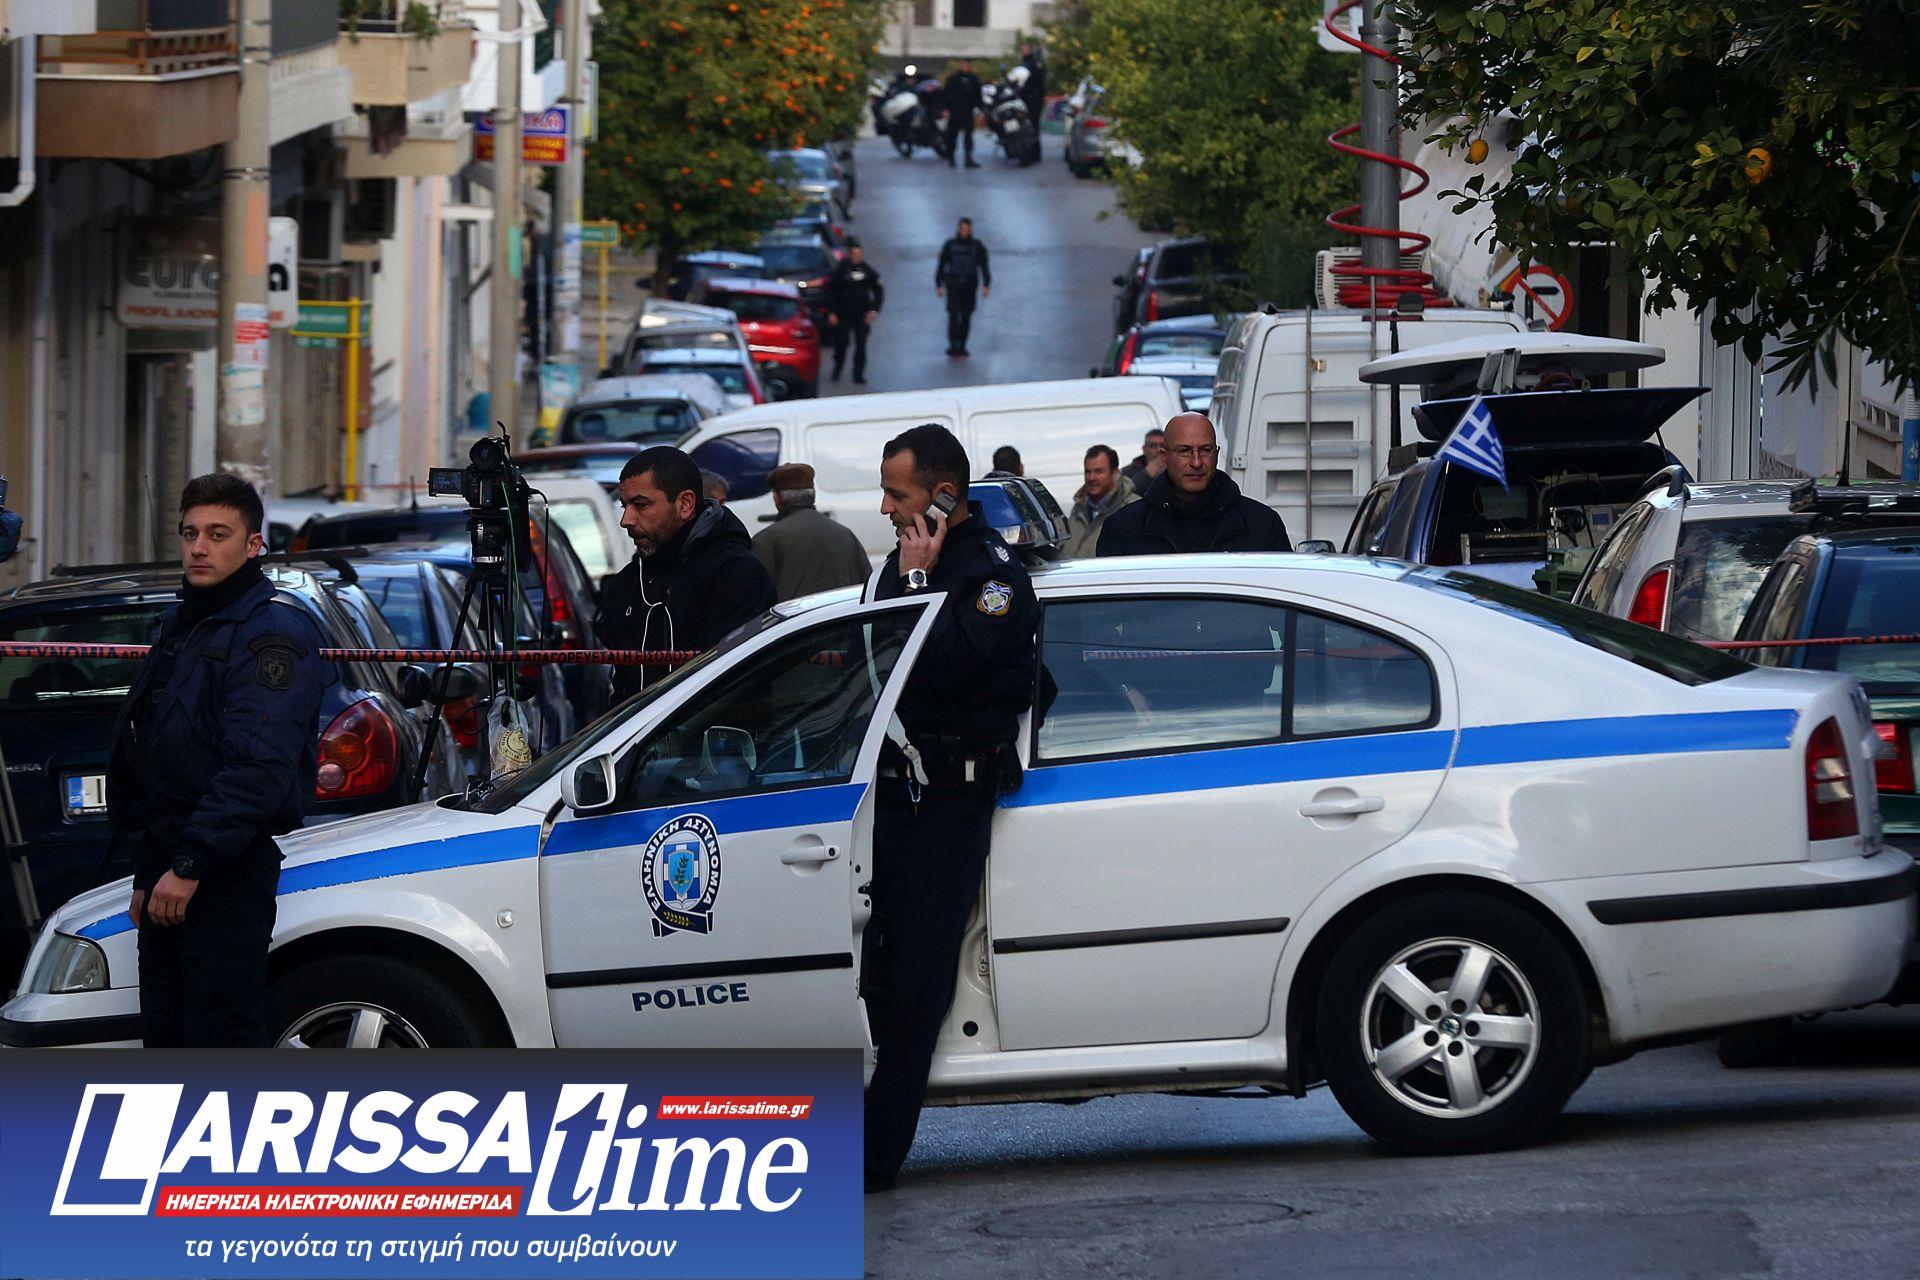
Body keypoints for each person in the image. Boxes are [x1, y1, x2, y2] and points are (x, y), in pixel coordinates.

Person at [866, 424, 1038, 1192]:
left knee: (917, 982)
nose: (884, 508)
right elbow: (872, 656)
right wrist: (907, 579)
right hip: (899, 794)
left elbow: (935, 669)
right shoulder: (904, 564)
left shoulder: (992, 576)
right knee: (878, 971)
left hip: (953, 799)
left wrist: (916, 585)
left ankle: (875, 1157)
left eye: (895, 494)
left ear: (943, 495)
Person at [106, 473, 326, 1047]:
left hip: (223, 870)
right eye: (190, 533)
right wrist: (150, 870)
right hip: (171, 860)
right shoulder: (184, 623)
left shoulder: (272, 633)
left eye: (218, 534)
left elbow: (257, 769)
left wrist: (189, 866)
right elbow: (151, 745)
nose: (199, 548)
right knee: (167, 1037)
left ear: (253, 545)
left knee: (219, 1038)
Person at [600, 447, 775, 699]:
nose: (626, 520)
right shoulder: (629, 583)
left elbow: (733, 689)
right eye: (624, 505)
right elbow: (623, 687)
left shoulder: (736, 574)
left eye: (641, 505)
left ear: (685, 504)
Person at [1096, 412, 1292, 555]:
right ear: (1164, 457)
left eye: (1205, 450)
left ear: (1216, 454)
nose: (1196, 462)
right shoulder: (1123, 530)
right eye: (1184, 451)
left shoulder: (1262, 525)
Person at [751, 463, 871, 602]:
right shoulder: (844, 534)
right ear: (813, 496)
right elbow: (866, 584)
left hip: (796, 616)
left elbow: (754, 593)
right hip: (842, 614)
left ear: (777, 498)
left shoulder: (767, 540)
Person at [825, 239, 885, 385]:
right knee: (841, 343)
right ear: (850, 254)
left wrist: (874, 310)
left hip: (862, 313)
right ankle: (838, 367)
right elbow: (830, 291)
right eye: (854, 254)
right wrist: (831, 312)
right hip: (843, 313)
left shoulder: (866, 270)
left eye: (859, 254)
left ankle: (858, 374)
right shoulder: (841, 270)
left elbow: (878, 290)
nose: (857, 257)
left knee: (861, 344)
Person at [1063, 445, 1139, 557]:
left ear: (1114, 473)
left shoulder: (1133, 508)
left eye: (1099, 471)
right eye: (1088, 472)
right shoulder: (1079, 507)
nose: (1092, 478)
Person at [935, 217, 991, 358]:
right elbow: (942, 265)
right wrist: (939, 284)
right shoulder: (950, 245)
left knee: (966, 315)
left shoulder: (977, 246)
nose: (965, 231)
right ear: (959, 229)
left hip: (970, 284)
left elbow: (984, 265)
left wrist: (986, 284)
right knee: (953, 315)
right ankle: (953, 345)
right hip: (953, 284)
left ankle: (962, 345)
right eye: (963, 228)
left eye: (967, 229)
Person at [942, 58, 983, 169]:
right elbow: (946, 94)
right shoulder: (953, 79)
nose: (966, 66)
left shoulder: (973, 79)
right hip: (954, 111)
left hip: (968, 111)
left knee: (968, 136)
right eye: (964, 64)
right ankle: (951, 157)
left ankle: (968, 159)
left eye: (967, 64)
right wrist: (945, 109)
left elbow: (978, 96)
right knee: (952, 136)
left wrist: (980, 109)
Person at [1017, 41, 1047, 149]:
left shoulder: (1034, 63)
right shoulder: (1024, 63)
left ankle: (1034, 150)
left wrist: (1033, 92)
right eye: (1022, 49)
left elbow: (1039, 81)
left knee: (1033, 125)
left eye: (1024, 49)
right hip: (1025, 98)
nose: (1022, 51)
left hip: (1033, 99)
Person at [1121, 428, 1165, 492]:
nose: (1158, 450)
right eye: (1153, 445)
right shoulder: (1126, 472)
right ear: (1144, 449)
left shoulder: (1174, 468)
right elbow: (1123, 493)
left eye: (1162, 445)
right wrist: (1146, 474)